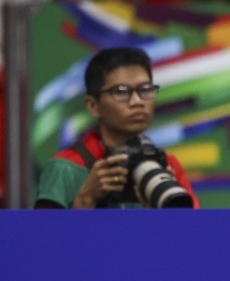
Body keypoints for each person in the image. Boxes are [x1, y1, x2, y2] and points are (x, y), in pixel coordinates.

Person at [35, 46, 198, 209]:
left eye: (146, 89)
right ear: (93, 106)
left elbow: (196, 232)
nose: (137, 101)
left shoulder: (168, 167)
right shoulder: (64, 169)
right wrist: (85, 199)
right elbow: (41, 234)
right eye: (121, 92)